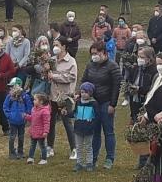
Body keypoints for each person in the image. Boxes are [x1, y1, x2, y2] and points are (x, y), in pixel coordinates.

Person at [81, 40, 122, 169]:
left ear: (103, 52)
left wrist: (113, 104)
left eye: (96, 53)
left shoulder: (112, 66)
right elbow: (84, 80)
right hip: (92, 103)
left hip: (106, 102)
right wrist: (80, 94)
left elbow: (116, 86)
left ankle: (109, 158)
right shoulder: (90, 65)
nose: (94, 56)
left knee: (108, 131)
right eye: (92, 53)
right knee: (94, 131)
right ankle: (93, 158)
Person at [48, 38, 78, 159]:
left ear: (64, 46)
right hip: (53, 96)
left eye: (57, 45)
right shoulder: (52, 60)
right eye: (54, 45)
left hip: (65, 97)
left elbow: (71, 77)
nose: (55, 47)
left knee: (67, 122)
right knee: (50, 122)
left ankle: (74, 148)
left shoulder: (71, 61)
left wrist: (54, 76)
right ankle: (50, 147)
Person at [71, 82, 99, 172]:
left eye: (86, 92)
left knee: (88, 146)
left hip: (89, 129)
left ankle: (89, 163)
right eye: (82, 92)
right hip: (78, 128)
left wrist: (92, 125)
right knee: (78, 147)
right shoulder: (78, 102)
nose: (83, 94)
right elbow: (75, 113)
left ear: (90, 93)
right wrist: (67, 113)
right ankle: (79, 163)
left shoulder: (94, 103)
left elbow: (97, 117)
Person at [4, 77, 31, 159]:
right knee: (12, 136)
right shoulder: (9, 97)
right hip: (12, 121)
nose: (11, 88)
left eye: (12, 86)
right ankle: (12, 153)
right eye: (10, 87)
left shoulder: (25, 96)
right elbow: (5, 107)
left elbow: (29, 107)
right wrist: (9, 116)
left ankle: (20, 152)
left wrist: (26, 116)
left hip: (22, 121)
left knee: (21, 137)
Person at [25, 92, 51, 165]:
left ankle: (44, 159)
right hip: (33, 131)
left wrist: (45, 131)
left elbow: (46, 122)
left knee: (42, 146)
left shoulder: (45, 111)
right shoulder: (33, 109)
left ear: (41, 101)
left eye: (35, 99)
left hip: (41, 132)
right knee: (32, 145)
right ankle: (30, 158)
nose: (33, 101)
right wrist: (26, 116)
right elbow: (32, 118)